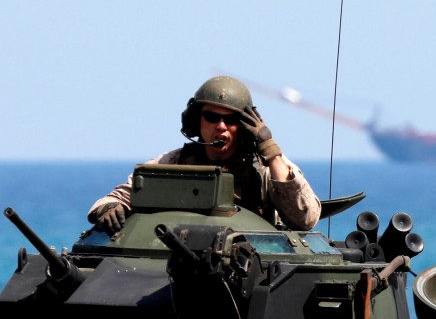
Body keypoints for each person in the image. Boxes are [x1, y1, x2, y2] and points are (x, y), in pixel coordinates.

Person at [88, 76, 321, 232]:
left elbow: (305, 219)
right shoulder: (172, 163)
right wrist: (108, 208)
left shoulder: (265, 168)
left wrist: (270, 149)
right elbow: (118, 197)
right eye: (211, 117)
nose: (221, 126)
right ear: (195, 121)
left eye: (231, 120)